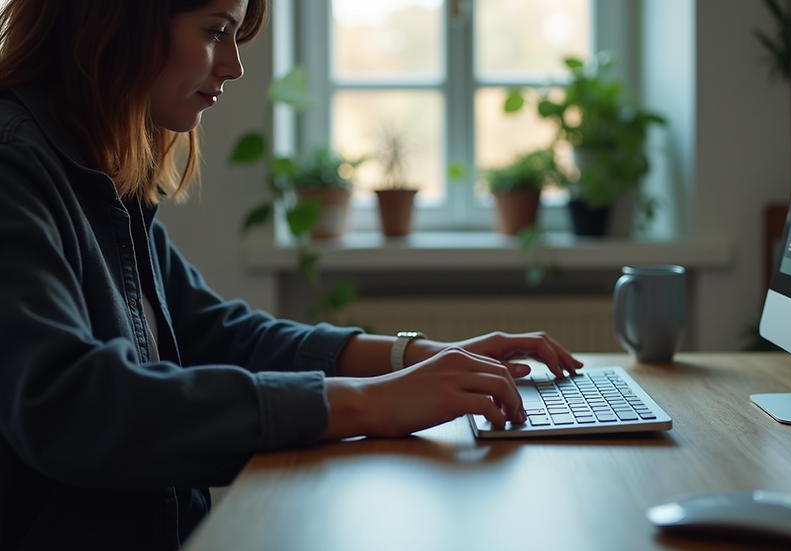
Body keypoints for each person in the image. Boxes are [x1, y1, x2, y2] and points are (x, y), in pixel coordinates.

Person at [0, 1, 582, 549]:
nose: (233, 65)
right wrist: (370, 404)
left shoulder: (93, 165)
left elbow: (216, 334)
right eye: (214, 30)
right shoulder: (15, 166)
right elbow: (66, 402)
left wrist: (419, 358)